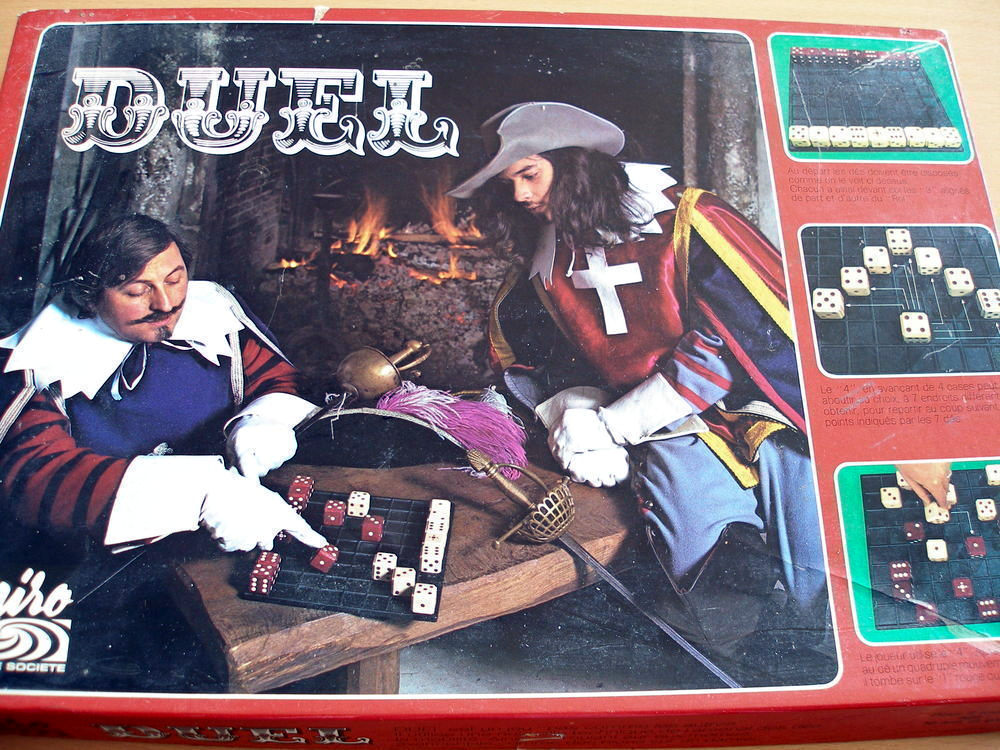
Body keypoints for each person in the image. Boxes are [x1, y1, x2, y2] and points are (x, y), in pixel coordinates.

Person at [449, 102, 828, 663]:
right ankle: (753, 661)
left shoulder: (690, 219)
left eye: (529, 174)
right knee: (701, 549)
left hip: (755, 403)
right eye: (510, 184)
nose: (522, 196)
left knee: (812, 512)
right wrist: (576, 412)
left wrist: (617, 424)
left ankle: (827, 645)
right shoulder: (543, 257)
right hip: (664, 427)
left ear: (573, 162)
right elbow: (535, 356)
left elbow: (749, 335)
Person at [0, 214, 326, 554]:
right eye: (137, 291)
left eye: (174, 279)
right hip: (103, 557)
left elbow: (276, 378)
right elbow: (37, 477)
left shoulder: (215, 316)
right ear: (89, 297)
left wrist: (264, 420)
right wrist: (200, 494)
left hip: (235, 532)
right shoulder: (36, 361)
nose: (166, 304)